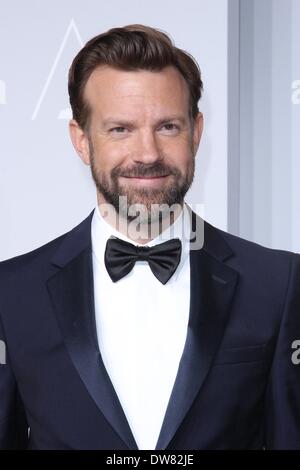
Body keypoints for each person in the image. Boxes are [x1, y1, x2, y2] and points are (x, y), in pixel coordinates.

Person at [0, 24, 299, 451]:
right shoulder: (11, 294)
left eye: (168, 127)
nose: (148, 153)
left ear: (196, 133)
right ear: (82, 141)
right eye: (120, 129)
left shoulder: (278, 283)